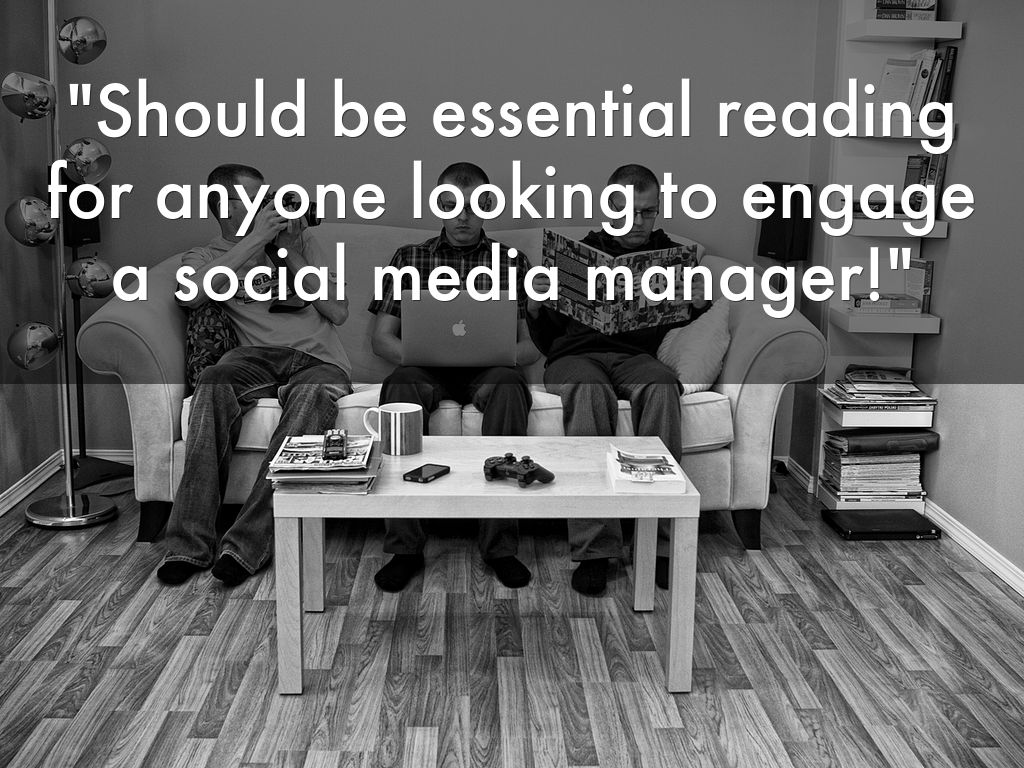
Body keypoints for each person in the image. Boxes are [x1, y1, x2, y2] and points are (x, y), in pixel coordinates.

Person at [156, 163, 352, 587]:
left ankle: (245, 546)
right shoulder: (205, 257)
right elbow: (190, 294)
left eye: (268, 197)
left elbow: (338, 311)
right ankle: (188, 545)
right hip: (252, 358)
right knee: (213, 381)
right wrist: (255, 240)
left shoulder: (304, 243)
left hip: (318, 360)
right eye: (255, 199)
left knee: (312, 398)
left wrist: (289, 251)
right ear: (222, 205)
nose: (267, 206)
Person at [527, 164, 708, 596]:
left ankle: (659, 545)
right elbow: (548, 341)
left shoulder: (673, 257)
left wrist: (698, 304)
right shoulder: (578, 256)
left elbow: (683, 320)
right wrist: (535, 309)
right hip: (576, 357)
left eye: (648, 212)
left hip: (636, 358)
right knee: (589, 392)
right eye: (628, 211)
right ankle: (595, 550)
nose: (638, 221)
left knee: (662, 387)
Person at [368, 162, 540, 592]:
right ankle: (405, 548)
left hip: (490, 371)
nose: (462, 216)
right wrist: (425, 352)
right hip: (425, 369)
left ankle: (500, 547)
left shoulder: (512, 262)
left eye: (473, 206)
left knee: (509, 386)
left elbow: (530, 346)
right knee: (400, 385)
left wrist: (497, 353)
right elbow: (381, 339)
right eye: (451, 205)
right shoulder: (409, 257)